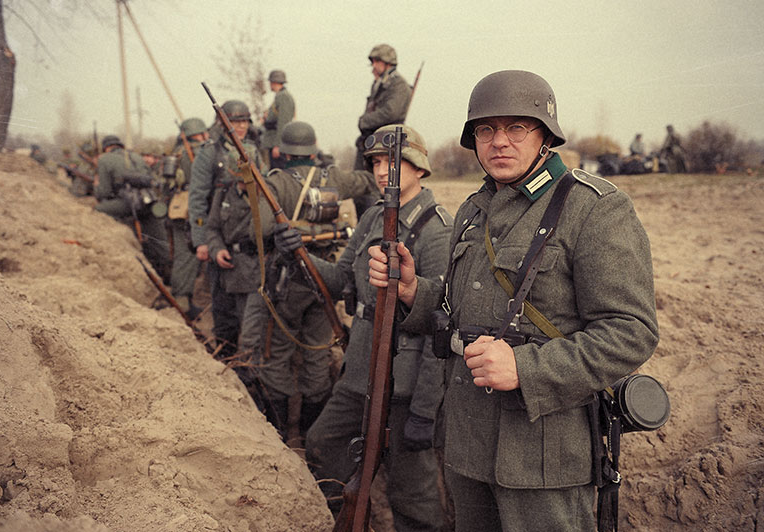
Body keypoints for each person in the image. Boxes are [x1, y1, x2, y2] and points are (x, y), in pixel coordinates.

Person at [368, 71, 659, 532]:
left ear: (545, 136)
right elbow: (459, 311)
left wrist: (526, 368)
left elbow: (630, 332)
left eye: (516, 128)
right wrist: (411, 292)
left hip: (542, 459)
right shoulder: (473, 211)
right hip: (467, 447)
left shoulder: (593, 207)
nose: (499, 142)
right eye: (486, 130)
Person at [291, 124, 450, 531]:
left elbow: (440, 324)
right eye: (376, 162)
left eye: (392, 162)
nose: (382, 171)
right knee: (322, 445)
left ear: (420, 167)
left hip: (405, 384)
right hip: (359, 371)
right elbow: (341, 278)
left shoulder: (436, 229)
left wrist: (424, 411)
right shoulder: (373, 216)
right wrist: (299, 255)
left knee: (412, 495)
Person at [251, 120, 378, 441]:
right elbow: (368, 181)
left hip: (288, 279)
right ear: (313, 150)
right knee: (318, 353)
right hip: (326, 276)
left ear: (283, 152)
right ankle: (311, 433)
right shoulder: (332, 177)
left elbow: (262, 229)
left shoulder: (276, 182)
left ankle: (279, 433)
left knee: (277, 351)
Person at [190, 101, 266, 361]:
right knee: (222, 305)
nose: (241, 126)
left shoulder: (253, 150)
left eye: (244, 121)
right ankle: (225, 355)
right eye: (235, 121)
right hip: (218, 232)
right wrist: (201, 240)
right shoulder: (209, 152)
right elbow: (198, 198)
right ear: (223, 124)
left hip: (248, 235)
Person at [95, 134, 170, 281]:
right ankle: (169, 273)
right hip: (149, 201)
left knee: (98, 210)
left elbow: (104, 192)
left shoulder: (104, 159)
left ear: (106, 148)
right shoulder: (136, 156)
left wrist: (96, 187)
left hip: (129, 204)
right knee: (160, 242)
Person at [353, 44, 412, 219]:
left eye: (376, 61)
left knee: (374, 191)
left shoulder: (398, 84)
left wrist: (364, 121)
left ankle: (376, 225)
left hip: (386, 144)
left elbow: (391, 112)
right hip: (370, 141)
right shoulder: (379, 84)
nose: (373, 66)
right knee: (360, 190)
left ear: (387, 62)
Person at [165, 117, 208, 317]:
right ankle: (182, 301)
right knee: (188, 257)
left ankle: (184, 299)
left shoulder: (176, 154)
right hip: (196, 208)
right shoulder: (202, 152)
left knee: (184, 254)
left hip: (178, 207)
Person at [261, 70, 296, 170]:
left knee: (278, 172)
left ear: (273, 82)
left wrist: (278, 145)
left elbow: (283, 122)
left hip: (278, 143)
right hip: (273, 141)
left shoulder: (284, 97)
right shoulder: (279, 96)